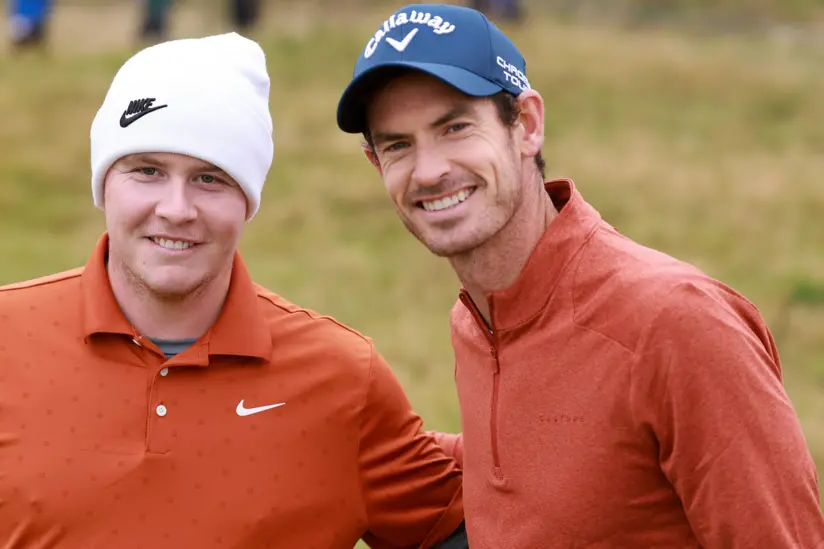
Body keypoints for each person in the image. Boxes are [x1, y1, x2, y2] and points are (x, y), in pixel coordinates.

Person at [0, 32, 469, 549]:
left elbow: (490, 515)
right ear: (105, 184)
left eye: (209, 178)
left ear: (247, 201)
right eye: (147, 170)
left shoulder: (343, 378)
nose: (175, 209)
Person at [335, 3, 824, 547]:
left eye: (455, 127)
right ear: (376, 164)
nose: (429, 170)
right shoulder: (477, 319)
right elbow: (555, 461)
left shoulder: (678, 326)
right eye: (398, 145)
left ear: (527, 126)